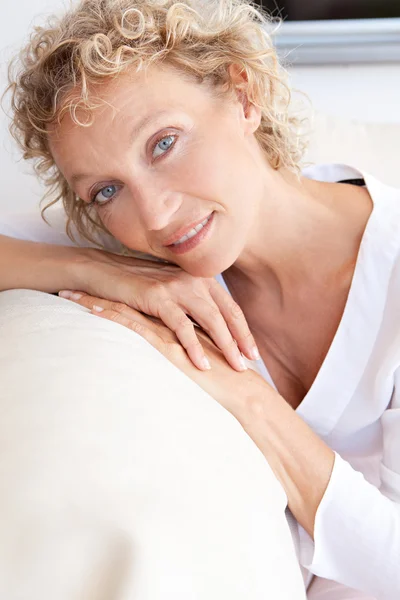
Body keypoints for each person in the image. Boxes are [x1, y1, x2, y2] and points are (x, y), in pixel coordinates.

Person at [2, 0, 400, 597]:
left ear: (243, 94)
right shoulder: (151, 259)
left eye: (164, 144)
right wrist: (103, 269)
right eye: (106, 190)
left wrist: (247, 399)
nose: (154, 215)